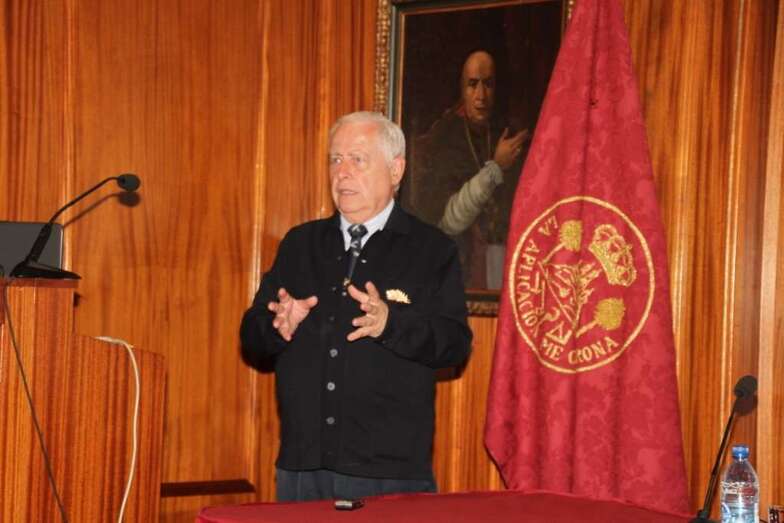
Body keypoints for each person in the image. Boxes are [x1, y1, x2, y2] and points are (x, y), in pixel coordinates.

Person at [240, 111, 472, 502]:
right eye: (335, 159)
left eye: (357, 159)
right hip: (302, 469)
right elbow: (251, 337)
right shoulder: (300, 244)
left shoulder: (432, 249)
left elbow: (454, 343)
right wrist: (277, 326)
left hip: (389, 476)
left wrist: (390, 324)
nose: (342, 172)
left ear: (396, 169)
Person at [409, 50, 529, 289]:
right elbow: (449, 220)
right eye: (472, 85)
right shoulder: (442, 139)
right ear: (462, 89)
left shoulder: (507, 133)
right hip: (463, 265)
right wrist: (495, 167)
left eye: (488, 85)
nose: (481, 96)